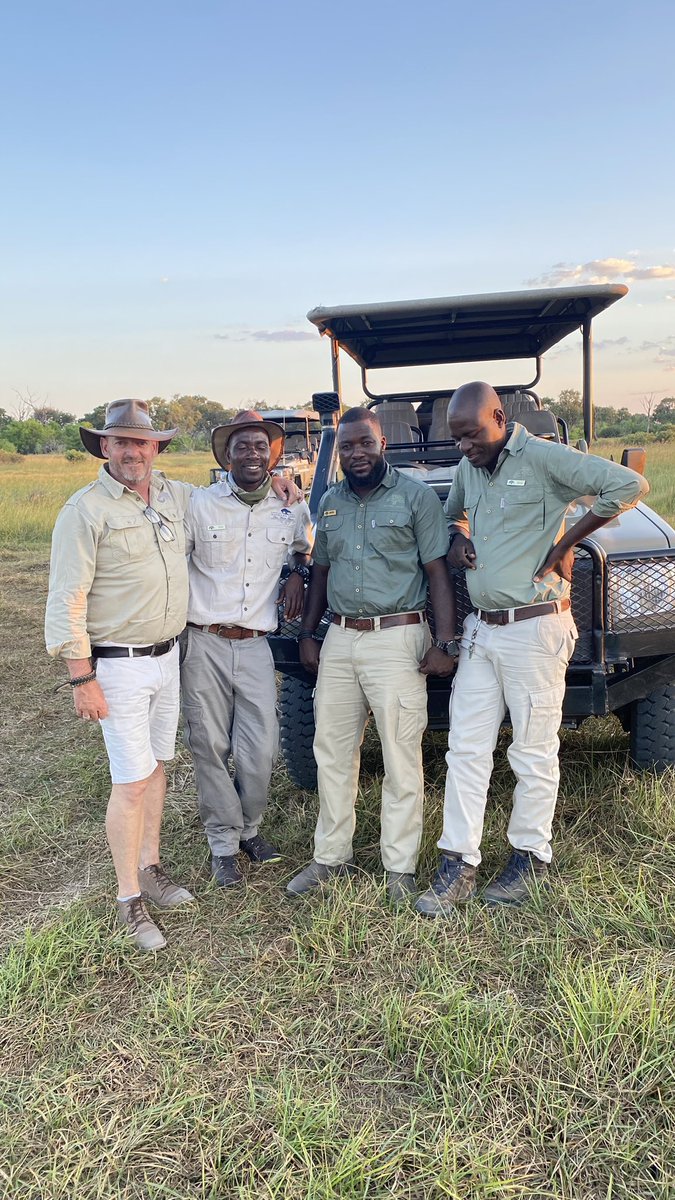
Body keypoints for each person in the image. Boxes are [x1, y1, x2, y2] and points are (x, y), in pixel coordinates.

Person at [45, 400, 300, 952]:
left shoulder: (174, 497)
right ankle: (133, 895)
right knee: (135, 779)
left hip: (171, 657)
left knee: (167, 767)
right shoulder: (88, 510)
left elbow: (265, 510)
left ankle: (155, 868)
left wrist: (282, 480)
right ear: (104, 448)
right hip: (122, 662)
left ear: (157, 448)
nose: (133, 451)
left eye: (143, 442)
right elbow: (66, 597)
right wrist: (79, 677)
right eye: (121, 442)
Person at [415, 382, 650, 916]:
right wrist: (458, 535)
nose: (464, 448)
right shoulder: (472, 468)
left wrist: (566, 542)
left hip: (535, 627)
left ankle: (529, 857)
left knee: (532, 751)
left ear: (499, 417)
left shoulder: (545, 458)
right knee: (465, 749)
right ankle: (458, 863)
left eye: (472, 435)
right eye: (456, 439)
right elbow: (454, 512)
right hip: (483, 631)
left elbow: (629, 484)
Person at [286, 407, 457, 905]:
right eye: (346, 446)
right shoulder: (331, 501)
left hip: (397, 636)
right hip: (340, 637)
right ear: (336, 451)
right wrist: (308, 633)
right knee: (332, 752)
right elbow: (320, 571)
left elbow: (437, 571)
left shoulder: (416, 497)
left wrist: (443, 643)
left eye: (365, 443)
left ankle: (399, 867)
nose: (356, 453)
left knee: (401, 755)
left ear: (383, 444)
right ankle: (329, 857)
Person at [181, 411, 313, 888]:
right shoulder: (199, 504)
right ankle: (223, 843)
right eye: (242, 446)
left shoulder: (291, 506)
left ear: (272, 454)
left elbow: (305, 548)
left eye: (261, 446)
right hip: (205, 640)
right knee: (209, 745)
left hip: (256, 643)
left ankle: (250, 829)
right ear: (227, 455)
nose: (253, 453)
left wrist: (298, 571)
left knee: (261, 747)